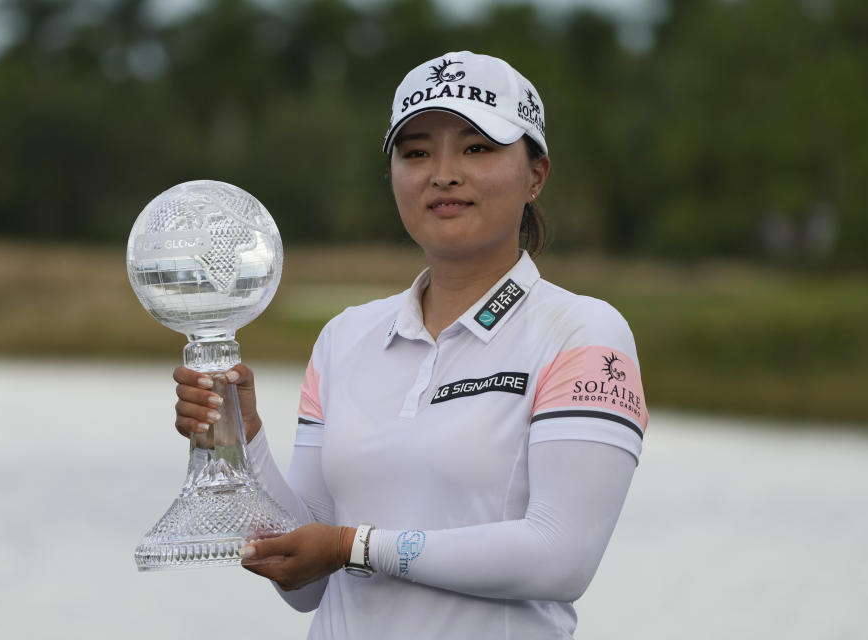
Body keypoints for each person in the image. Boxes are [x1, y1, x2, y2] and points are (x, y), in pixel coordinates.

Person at [172, 51, 648, 639]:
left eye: (477, 148)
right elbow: (306, 581)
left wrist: (353, 545)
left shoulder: (584, 334)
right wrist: (241, 439)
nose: (442, 173)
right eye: (416, 152)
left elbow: (559, 558)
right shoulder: (345, 337)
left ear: (536, 174)